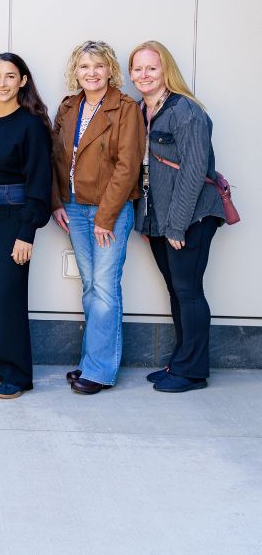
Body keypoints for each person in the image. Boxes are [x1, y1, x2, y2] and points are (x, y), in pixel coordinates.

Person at [130, 41, 225, 393]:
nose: (143, 75)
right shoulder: (141, 111)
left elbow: (194, 170)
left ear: (165, 70)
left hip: (190, 218)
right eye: (137, 69)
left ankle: (194, 372)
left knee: (188, 291)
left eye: (151, 68)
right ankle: (181, 361)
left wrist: (176, 223)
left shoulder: (186, 111)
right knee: (176, 290)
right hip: (158, 220)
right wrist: (150, 221)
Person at [51, 40, 145, 396]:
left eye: (98, 66)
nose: (91, 73)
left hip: (110, 210)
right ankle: (93, 361)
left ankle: (101, 370)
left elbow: (128, 166)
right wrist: (57, 201)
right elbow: (58, 158)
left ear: (110, 71)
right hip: (74, 207)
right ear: (75, 71)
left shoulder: (125, 108)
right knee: (90, 288)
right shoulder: (69, 106)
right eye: (84, 66)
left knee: (105, 289)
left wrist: (105, 216)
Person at [0, 53, 53, 400]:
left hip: (13, 219)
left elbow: (39, 182)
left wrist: (26, 233)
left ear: (22, 81)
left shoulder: (31, 124)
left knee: (10, 295)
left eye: (9, 76)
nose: (1, 83)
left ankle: (17, 373)